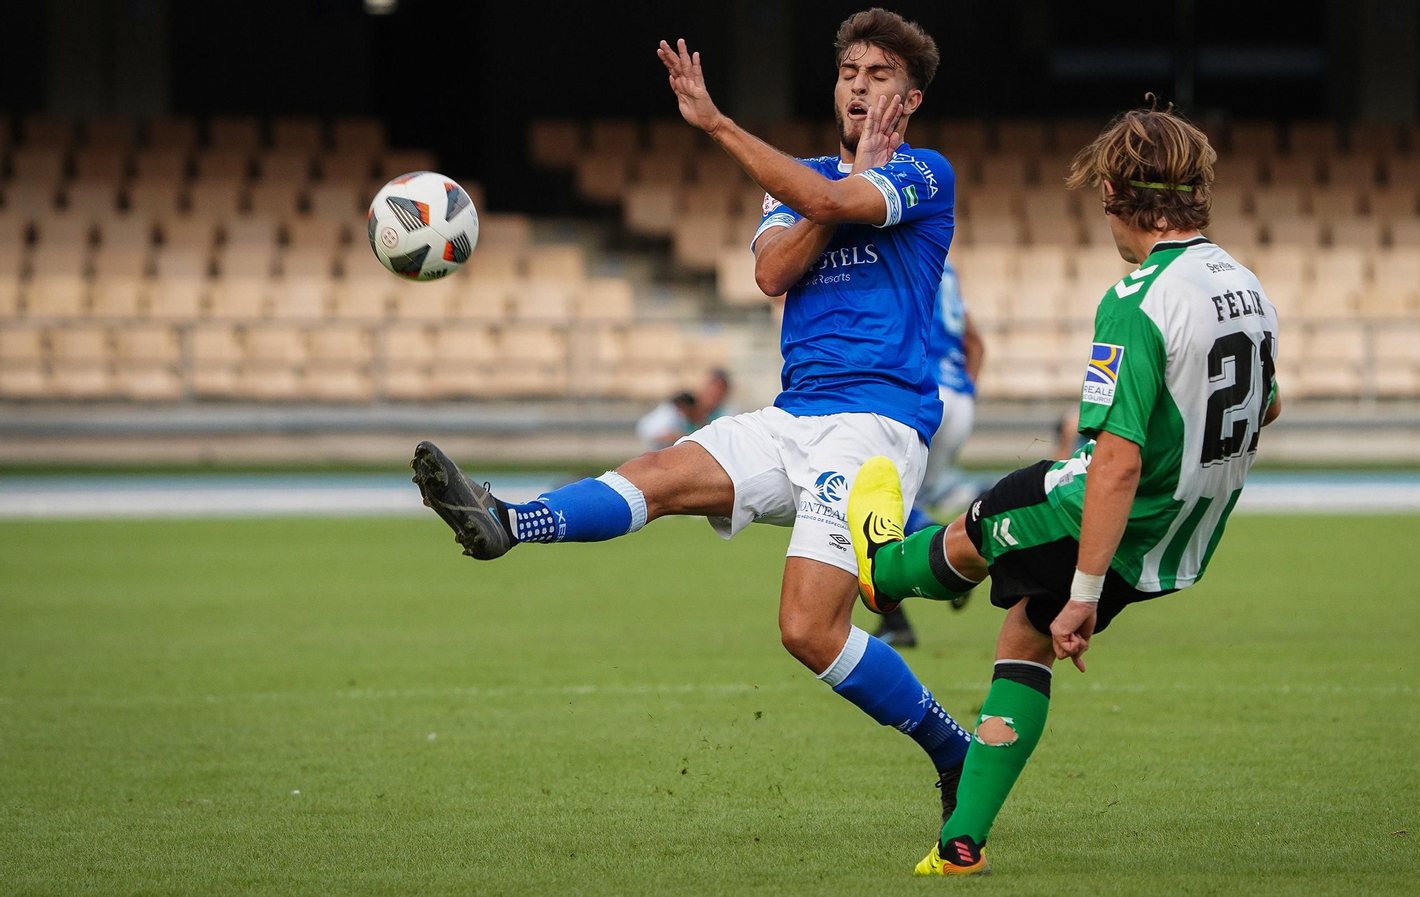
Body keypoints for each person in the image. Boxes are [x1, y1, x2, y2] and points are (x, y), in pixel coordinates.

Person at [410, 9, 973, 822]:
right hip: (795, 415)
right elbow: (773, 272)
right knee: (660, 473)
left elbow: (824, 197)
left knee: (809, 632)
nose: (859, 87)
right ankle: (507, 520)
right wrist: (831, 198)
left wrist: (715, 124)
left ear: (909, 99)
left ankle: (954, 748)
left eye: (879, 76)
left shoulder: (927, 174)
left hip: (875, 426)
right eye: (851, 72)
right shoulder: (804, 180)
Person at [848, 99, 1282, 875]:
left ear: (1115, 195)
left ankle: (885, 573)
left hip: (1106, 514)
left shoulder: (1138, 298)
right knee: (1025, 632)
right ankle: (961, 842)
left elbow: (1113, 461)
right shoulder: (1247, 286)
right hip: (1178, 539)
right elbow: (1268, 403)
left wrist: (1083, 588)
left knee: (986, 520)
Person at [873, 260, 984, 647]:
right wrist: (965, 392)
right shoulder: (948, 268)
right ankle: (951, 556)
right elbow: (976, 343)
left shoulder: (906, 254)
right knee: (901, 506)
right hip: (958, 397)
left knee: (871, 506)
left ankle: (953, 555)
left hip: (923, 393)